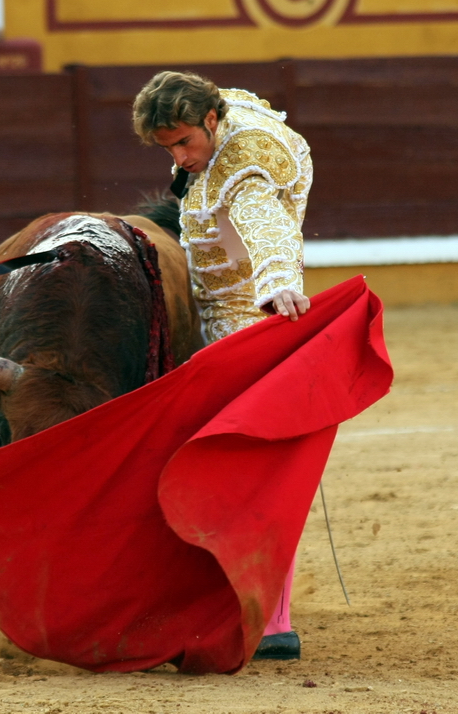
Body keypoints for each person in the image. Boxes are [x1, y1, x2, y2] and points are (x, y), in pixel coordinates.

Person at [132, 70, 314, 660]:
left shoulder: (246, 157)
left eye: (185, 142)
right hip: (207, 321)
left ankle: (275, 619)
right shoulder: (219, 114)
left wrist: (280, 282)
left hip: (248, 324)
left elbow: (265, 223)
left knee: (252, 469)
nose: (180, 158)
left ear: (211, 121)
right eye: (168, 149)